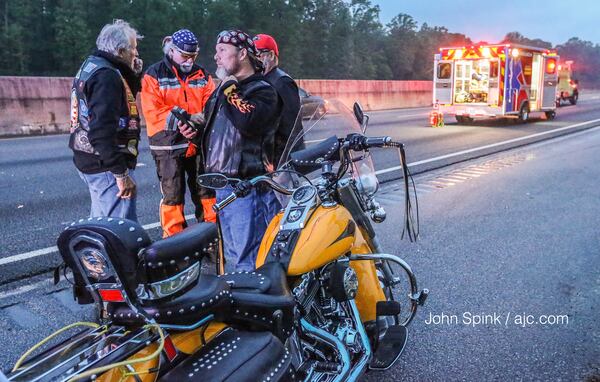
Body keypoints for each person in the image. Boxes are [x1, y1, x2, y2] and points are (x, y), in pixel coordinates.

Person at [199, 29, 281, 271]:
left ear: (243, 53)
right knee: (234, 256)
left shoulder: (262, 89)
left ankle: (258, 305)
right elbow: (215, 129)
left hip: (247, 187)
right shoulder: (225, 89)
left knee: (250, 258)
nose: (216, 57)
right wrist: (191, 127)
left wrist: (228, 87)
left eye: (222, 50)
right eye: (216, 51)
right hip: (224, 186)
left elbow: (248, 121)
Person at [141, 29, 217, 237]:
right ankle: (174, 242)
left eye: (193, 56)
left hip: (197, 142)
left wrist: (197, 125)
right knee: (173, 196)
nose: (189, 61)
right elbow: (153, 110)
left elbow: (211, 105)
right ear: (171, 50)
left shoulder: (202, 75)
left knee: (206, 193)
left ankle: (212, 237)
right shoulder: (154, 74)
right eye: (185, 56)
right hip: (168, 145)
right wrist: (186, 119)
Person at [69, 19, 143, 221]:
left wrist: (132, 73)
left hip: (90, 158)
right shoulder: (107, 76)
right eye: (133, 49)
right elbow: (101, 130)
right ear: (120, 51)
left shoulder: (92, 65)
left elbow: (122, 101)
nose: (135, 53)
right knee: (117, 231)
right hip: (105, 164)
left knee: (101, 223)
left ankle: (92, 252)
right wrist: (120, 173)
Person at [253, 33, 302, 167]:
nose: (255, 59)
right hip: (266, 157)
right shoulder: (261, 80)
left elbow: (292, 127)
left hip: (281, 159)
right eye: (253, 55)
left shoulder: (282, 82)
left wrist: (283, 161)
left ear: (271, 55)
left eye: (259, 54)